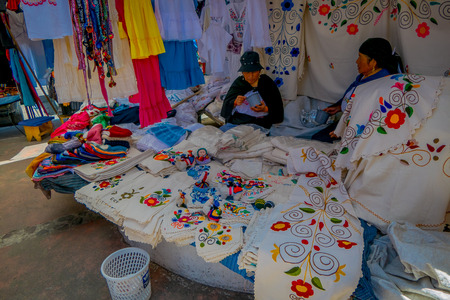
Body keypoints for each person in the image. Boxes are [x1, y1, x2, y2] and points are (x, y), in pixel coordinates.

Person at [311, 37, 403, 143]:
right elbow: (352, 95)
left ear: (373, 62)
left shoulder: (380, 84)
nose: (356, 61)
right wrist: (339, 107)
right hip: (346, 123)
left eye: (360, 57)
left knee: (319, 142)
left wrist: (343, 130)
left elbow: (368, 117)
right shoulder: (365, 76)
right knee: (316, 138)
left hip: (358, 130)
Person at [220, 51, 284, 129]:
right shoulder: (239, 83)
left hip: (261, 124)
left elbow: (278, 109)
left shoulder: (266, 82)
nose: (250, 76)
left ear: (259, 71)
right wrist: (235, 102)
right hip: (239, 122)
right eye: (247, 72)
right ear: (242, 72)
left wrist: (265, 109)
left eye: (254, 72)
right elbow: (227, 106)